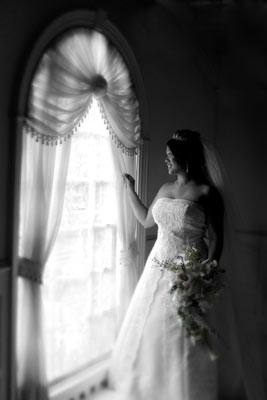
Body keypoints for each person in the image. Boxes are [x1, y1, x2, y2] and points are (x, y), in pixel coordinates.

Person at [108, 129, 225, 400]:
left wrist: (204, 277)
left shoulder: (208, 193)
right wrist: (130, 190)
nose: (166, 161)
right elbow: (146, 220)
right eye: (165, 156)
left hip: (190, 271)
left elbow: (218, 240)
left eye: (170, 156)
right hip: (157, 268)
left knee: (183, 334)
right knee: (153, 331)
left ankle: (185, 389)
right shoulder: (165, 188)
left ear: (185, 159)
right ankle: (154, 387)